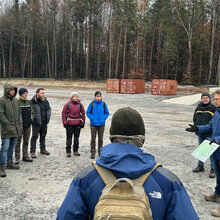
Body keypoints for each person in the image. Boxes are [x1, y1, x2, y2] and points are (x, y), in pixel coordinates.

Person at [57, 107, 199, 219]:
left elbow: (65, 216)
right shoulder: (168, 180)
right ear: (141, 139)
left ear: (112, 137)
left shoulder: (85, 178)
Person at [186, 89, 220, 217]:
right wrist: (197, 128)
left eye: (217, 99)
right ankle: (217, 195)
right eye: (215, 98)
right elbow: (210, 126)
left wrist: (217, 139)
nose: (214, 101)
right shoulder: (217, 113)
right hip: (216, 149)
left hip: (217, 144)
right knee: (218, 175)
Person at [0, 84, 22, 177]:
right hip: (6, 129)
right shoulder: (2, 101)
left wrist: (19, 123)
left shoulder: (16, 101)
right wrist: (7, 124)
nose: (13, 92)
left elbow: (19, 113)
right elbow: (1, 114)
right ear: (7, 90)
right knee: (4, 148)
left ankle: (9, 162)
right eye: (11, 90)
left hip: (16, 128)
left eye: (14, 90)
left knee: (12, 146)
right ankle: (2, 166)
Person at [192, 92, 216, 177]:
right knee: (201, 150)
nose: (205, 99)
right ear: (201, 99)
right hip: (200, 133)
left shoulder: (213, 108)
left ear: (209, 99)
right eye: (203, 98)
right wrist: (195, 127)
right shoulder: (198, 107)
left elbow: (215, 122)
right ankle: (200, 166)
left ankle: (213, 169)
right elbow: (195, 118)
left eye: (206, 97)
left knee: (211, 152)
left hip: (209, 133)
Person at [86, 91, 109, 159]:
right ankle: (93, 153)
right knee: (93, 139)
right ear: (95, 97)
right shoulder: (92, 104)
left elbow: (107, 113)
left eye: (99, 96)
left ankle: (100, 152)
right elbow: (88, 112)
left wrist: (103, 119)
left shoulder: (104, 104)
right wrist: (92, 118)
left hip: (101, 124)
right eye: (97, 96)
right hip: (93, 124)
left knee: (101, 139)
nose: (98, 97)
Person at [14, 88, 34, 164]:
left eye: (27, 93)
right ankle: (17, 157)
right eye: (25, 93)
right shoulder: (17, 102)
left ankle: (25, 156)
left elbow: (32, 112)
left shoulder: (29, 102)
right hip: (20, 126)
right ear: (21, 94)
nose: (26, 94)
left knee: (26, 141)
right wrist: (19, 124)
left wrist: (31, 120)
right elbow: (16, 114)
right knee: (18, 142)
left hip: (28, 125)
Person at [62, 92, 85, 157]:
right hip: (69, 123)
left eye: (76, 96)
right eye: (74, 96)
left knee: (76, 138)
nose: (76, 98)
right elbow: (63, 113)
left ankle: (76, 150)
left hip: (78, 123)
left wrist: (83, 122)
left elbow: (83, 113)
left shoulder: (80, 104)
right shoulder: (67, 104)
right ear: (71, 97)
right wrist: (64, 122)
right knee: (69, 138)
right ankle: (68, 151)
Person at [30, 88, 51, 158]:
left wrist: (47, 119)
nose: (43, 95)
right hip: (36, 123)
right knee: (34, 137)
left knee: (43, 136)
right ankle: (32, 152)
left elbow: (49, 110)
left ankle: (43, 149)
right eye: (42, 93)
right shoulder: (32, 102)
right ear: (37, 93)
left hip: (44, 122)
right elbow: (31, 112)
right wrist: (33, 120)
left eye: (43, 93)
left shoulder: (46, 101)